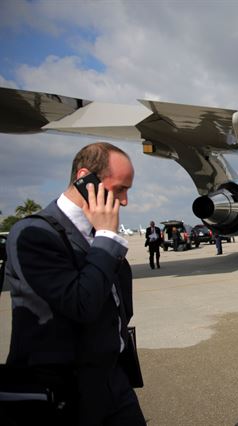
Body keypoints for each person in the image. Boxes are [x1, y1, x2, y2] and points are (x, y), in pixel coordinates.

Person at [4, 142, 145, 425]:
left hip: (113, 379)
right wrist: (106, 238)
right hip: (68, 390)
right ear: (85, 179)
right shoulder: (33, 234)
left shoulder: (98, 230)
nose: (125, 201)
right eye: (120, 189)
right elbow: (82, 304)